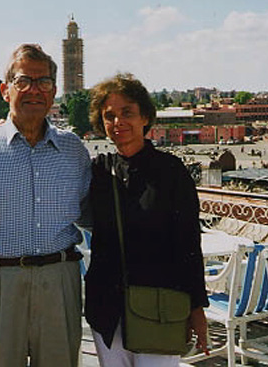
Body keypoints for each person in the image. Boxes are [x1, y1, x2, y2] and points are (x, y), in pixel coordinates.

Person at [0, 44, 91, 366]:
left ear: (54, 92)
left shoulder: (73, 150)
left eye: (44, 82)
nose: (34, 91)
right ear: (5, 90)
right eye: (23, 81)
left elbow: (93, 216)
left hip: (59, 283)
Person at [83, 73, 209, 367]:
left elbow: (189, 243)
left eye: (127, 113)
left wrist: (196, 308)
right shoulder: (99, 172)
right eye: (109, 116)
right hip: (108, 311)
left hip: (159, 309)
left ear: (145, 118)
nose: (118, 123)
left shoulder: (170, 172)